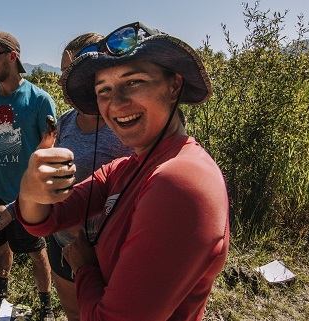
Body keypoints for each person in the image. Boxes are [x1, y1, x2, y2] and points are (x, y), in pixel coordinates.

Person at [14, 22, 230, 320]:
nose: (116, 103)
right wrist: (31, 188)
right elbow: (45, 220)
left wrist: (85, 267)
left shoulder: (180, 179)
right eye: (104, 90)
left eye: (133, 82)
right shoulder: (126, 168)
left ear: (174, 86)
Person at [0, 31, 56, 320]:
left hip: (26, 196)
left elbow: (49, 153)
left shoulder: (39, 100)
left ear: (12, 57)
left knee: (36, 249)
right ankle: (0, 290)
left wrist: (39, 196)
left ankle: (46, 304)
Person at [49, 33, 134, 321]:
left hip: (107, 254)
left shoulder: (125, 125)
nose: (62, 81)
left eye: (68, 73)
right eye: (61, 73)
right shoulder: (64, 122)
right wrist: (13, 211)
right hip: (61, 244)